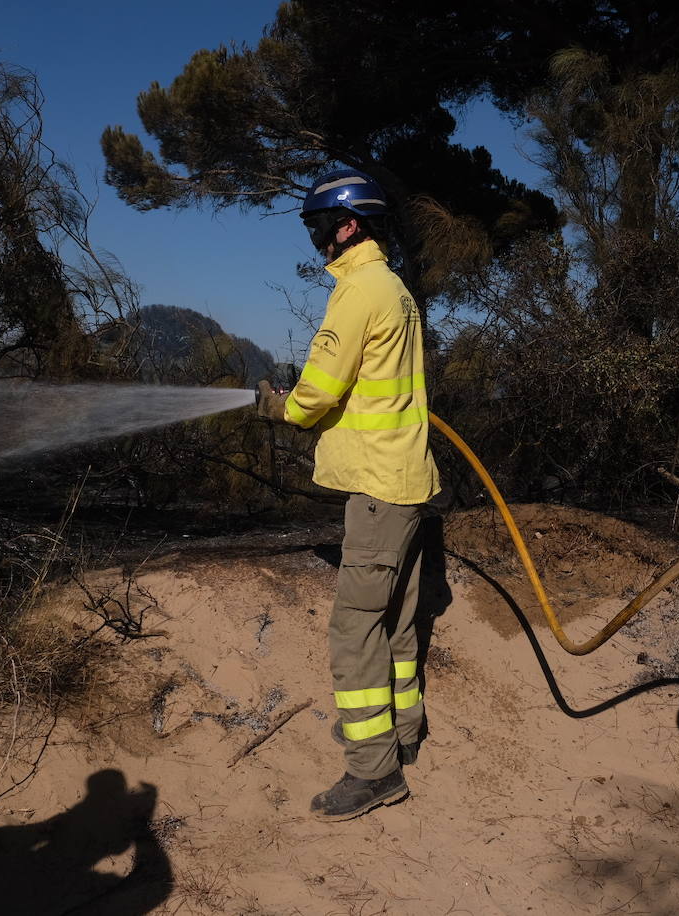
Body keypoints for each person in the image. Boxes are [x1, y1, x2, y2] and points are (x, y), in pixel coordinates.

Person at [257, 167, 439, 821]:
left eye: (319, 225)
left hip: (377, 489)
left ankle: (373, 770)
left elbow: (319, 391)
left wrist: (281, 408)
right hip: (408, 483)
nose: (315, 237)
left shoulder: (359, 290)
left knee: (353, 629)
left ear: (347, 225)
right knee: (397, 621)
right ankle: (403, 732)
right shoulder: (395, 289)